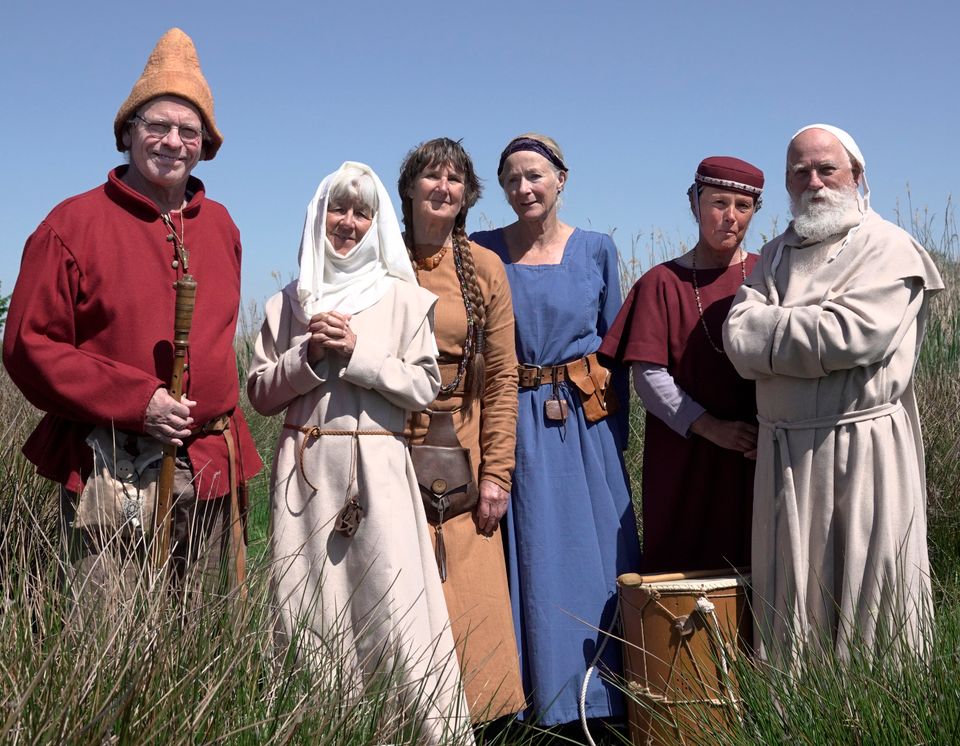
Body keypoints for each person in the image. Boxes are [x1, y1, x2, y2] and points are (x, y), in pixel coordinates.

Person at [2, 28, 262, 604]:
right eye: (157, 126)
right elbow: (28, 346)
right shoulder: (70, 226)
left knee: (201, 640)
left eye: (187, 130)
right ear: (126, 134)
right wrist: (137, 402)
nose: (173, 141)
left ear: (205, 144)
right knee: (110, 636)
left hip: (210, 465)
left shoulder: (222, 227)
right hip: (110, 467)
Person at [246, 162, 472, 743]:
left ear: (377, 222)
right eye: (338, 210)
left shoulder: (405, 299)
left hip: (379, 472)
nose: (348, 223)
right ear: (318, 218)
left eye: (361, 212)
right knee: (308, 613)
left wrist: (355, 354)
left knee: (393, 609)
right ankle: (317, 729)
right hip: (306, 479)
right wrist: (308, 358)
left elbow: (425, 388)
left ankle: (415, 731)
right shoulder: (287, 303)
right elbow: (260, 394)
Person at [722, 124, 945, 663]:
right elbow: (736, 338)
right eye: (801, 172)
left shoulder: (890, 249)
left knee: (869, 604)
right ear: (787, 183)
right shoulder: (773, 256)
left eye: (827, 170)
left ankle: (881, 712)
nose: (814, 182)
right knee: (793, 604)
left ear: (857, 176)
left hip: (863, 454)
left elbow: (855, 335)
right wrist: (807, 331)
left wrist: (774, 332)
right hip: (785, 460)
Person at [472, 133, 641, 729]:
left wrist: (611, 437)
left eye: (535, 176)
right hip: (512, 419)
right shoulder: (481, 250)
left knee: (595, 552)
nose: (524, 188)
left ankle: (606, 699)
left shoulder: (596, 250)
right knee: (525, 553)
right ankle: (525, 700)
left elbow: (615, 348)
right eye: (512, 179)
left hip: (584, 427)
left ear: (561, 179)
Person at [398, 138, 526, 724]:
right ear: (409, 189)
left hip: (468, 450)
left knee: (471, 606)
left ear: (467, 194)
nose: (443, 187)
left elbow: (502, 377)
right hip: (389, 449)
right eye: (431, 176)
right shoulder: (383, 264)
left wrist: (497, 472)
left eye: (455, 179)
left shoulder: (485, 268)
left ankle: (478, 723)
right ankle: (403, 720)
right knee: (400, 596)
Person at [600, 156, 763, 573]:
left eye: (742, 207)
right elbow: (650, 378)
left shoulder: (770, 274)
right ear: (694, 203)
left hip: (760, 454)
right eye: (718, 203)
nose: (729, 217)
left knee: (763, 569)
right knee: (681, 572)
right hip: (685, 453)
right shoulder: (661, 282)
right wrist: (713, 428)